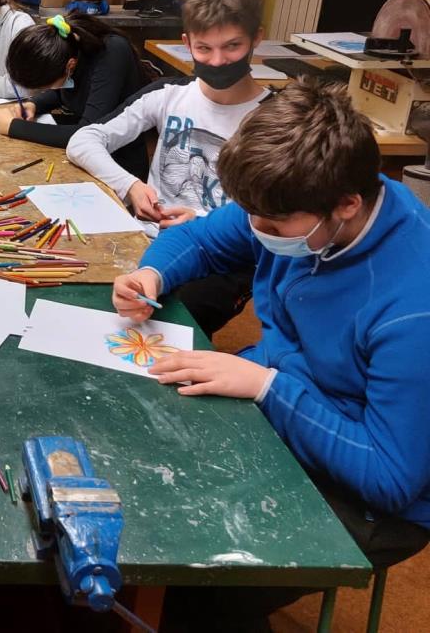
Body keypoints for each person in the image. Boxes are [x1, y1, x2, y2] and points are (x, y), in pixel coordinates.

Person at [112, 80, 430, 632]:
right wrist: (152, 274)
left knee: (189, 582)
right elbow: (205, 238)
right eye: (252, 215)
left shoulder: (412, 308)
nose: (257, 231)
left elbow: (390, 476)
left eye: (273, 226)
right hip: (285, 392)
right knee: (137, 464)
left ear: (347, 204)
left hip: (374, 493)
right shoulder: (296, 200)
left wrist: (268, 386)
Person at [67, 0, 270, 334]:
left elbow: (272, 215)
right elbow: (83, 141)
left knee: (170, 324)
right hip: (148, 237)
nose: (218, 61)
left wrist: (203, 221)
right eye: (204, 49)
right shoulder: (169, 95)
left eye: (232, 47)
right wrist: (130, 186)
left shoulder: (276, 119)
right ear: (186, 42)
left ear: (257, 38)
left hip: (225, 256)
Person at [0, 12, 144, 154]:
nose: (47, 89)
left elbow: (87, 133)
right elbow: (63, 89)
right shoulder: (68, 48)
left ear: (70, 66)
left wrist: (11, 126)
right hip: (83, 154)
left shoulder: (111, 53)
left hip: (118, 158)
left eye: (46, 86)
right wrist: (34, 104)